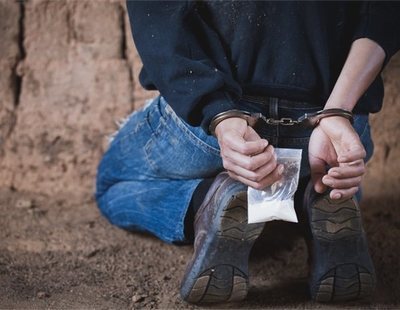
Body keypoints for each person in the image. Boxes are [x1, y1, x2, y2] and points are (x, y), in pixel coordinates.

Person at [95, 1, 400, 304]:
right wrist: (337, 112)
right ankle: (317, 196)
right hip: (329, 128)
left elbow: (159, 13)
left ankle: (207, 203)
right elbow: (384, 11)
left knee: (114, 182)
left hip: (224, 119)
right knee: (331, 179)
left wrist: (220, 115)